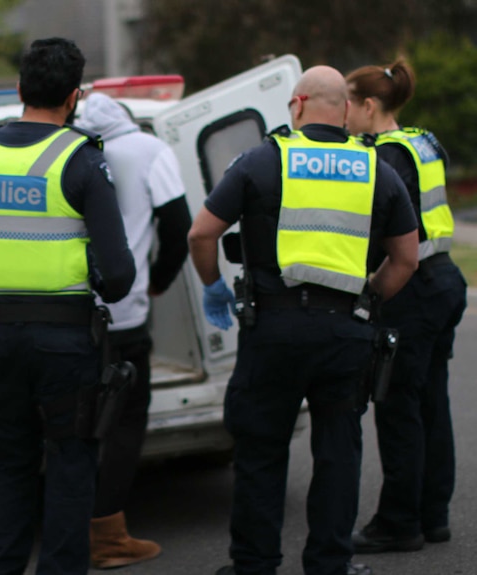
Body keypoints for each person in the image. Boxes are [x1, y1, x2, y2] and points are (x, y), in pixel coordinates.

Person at [188, 66, 419, 575]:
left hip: (274, 329)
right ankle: (330, 563)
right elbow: (406, 258)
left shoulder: (262, 160)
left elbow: (201, 234)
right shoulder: (375, 168)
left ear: (296, 104)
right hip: (345, 331)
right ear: (344, 110)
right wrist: (368, 298)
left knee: (261, 449)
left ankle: (254, 563)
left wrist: (212, 287)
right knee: (339, 452)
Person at [0, 37, 135, 575]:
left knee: (9, 468)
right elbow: (119, 275)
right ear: (75, 96)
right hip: (66, 344)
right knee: (69, 468)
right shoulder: (82, 158)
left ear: (19, 89)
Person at [345, 58, 468, 554]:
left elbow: (386, 234)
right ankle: (432, 514)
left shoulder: (387, 157)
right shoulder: (421, 139)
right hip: (444, 279)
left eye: (349, 105)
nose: (346, 117)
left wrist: (366, 287)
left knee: (398, 408)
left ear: (369, 105)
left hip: (413, 288)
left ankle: (398, 522)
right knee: (430, 402)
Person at [76, 92, 191, 569]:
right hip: (124, 313)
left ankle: (68, 524)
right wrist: (160, 280)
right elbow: (179, 222)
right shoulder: (148, 150)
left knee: (77, 421)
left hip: (68, 312)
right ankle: (107, 536)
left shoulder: (69, 153)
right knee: (125, 419)